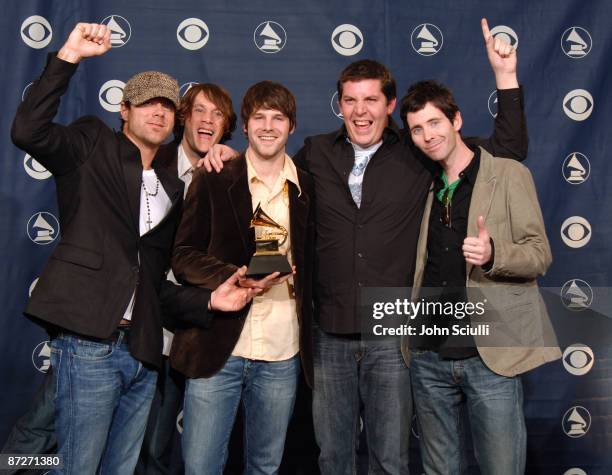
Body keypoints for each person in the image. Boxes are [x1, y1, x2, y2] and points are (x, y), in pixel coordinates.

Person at [202, 19, 528, 474]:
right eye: (350, 100)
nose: (360, 111)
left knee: (390, 459)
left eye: (371, 100)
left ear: (390, 105)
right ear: (339, 105)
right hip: (328, 331)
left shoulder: (418, 151)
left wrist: (506, 78)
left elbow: (507, 152)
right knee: (333, 457)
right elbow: (268, 177)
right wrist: (228, 154)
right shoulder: (315, 152)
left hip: (393, 332)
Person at [10, 23, 257, 475]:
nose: (159, 113)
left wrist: (209, 299)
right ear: (124, 110)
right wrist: (68, 55)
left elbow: (153, 280)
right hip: (89, 340)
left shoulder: (171, 187)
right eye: (147, 103)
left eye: (167, 106)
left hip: (141, 352)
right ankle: (12, 465)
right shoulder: (91, 145)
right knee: (71, 462)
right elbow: (27, 130)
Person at [401, 78, 561, 474]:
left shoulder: (506, 174)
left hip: (488, 358)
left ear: (456, 120)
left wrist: (493, 255)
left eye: (435, 123)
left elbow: (540, 255)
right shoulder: (424, 182)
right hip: (428, 357)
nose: (427, 136)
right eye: (417, 129)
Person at [170, 80, 315, 475]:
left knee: (265, 467)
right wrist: (233, 277)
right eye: (259, 117)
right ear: (246, 126)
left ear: (291, 126)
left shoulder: (309, 188)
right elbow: (182, 256)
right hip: (220, 346)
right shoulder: (215, 175)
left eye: (278, 118)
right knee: (200, 467)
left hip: (282, 352)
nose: (269, 126)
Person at [137, 83, 237, 475]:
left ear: (227, 126)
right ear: (185, 117)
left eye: (217, 115)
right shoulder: (150, 161)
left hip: (198, 328)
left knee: (188, 449)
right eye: (199, 111)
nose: (207, 121)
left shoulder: (233, 173)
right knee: (142, 444)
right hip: (141, 323)